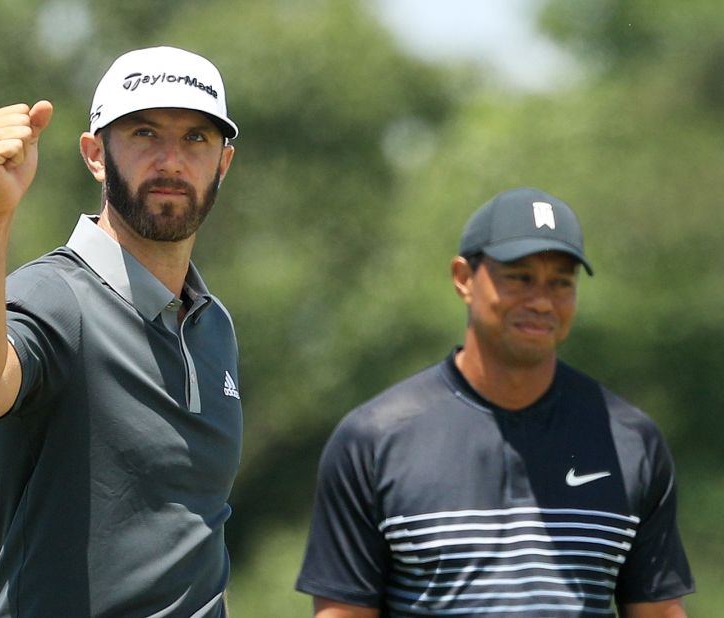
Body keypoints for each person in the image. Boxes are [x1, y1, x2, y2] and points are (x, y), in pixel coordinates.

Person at [0, 46, 242, 618]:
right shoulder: (55, 297)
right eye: (145, 133)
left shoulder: (212, 322)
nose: (172, 160)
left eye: (196, 138)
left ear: (223, 162)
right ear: (96, 156)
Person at [295, 187, 695, 617]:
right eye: (519, 278)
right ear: (464, 278)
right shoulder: (373, 440)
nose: (542, 301)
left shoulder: (630, 440)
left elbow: (657, 612)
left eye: (560, 282)